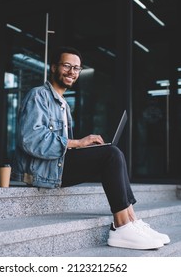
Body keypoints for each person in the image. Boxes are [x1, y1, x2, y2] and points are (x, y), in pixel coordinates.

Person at [11, 46, 170, 250]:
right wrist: (78, 143)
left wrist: (82, 149)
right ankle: (121, 227)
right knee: (111, 154)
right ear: (53, 68)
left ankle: (131, 220)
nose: (72, 72)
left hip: (55, 166)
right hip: (41, 171)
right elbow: (31, 139)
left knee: (112, 152)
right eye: (67, 66)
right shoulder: (38, 96)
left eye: (77, 68)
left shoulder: (63, 105)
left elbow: (61, 147)